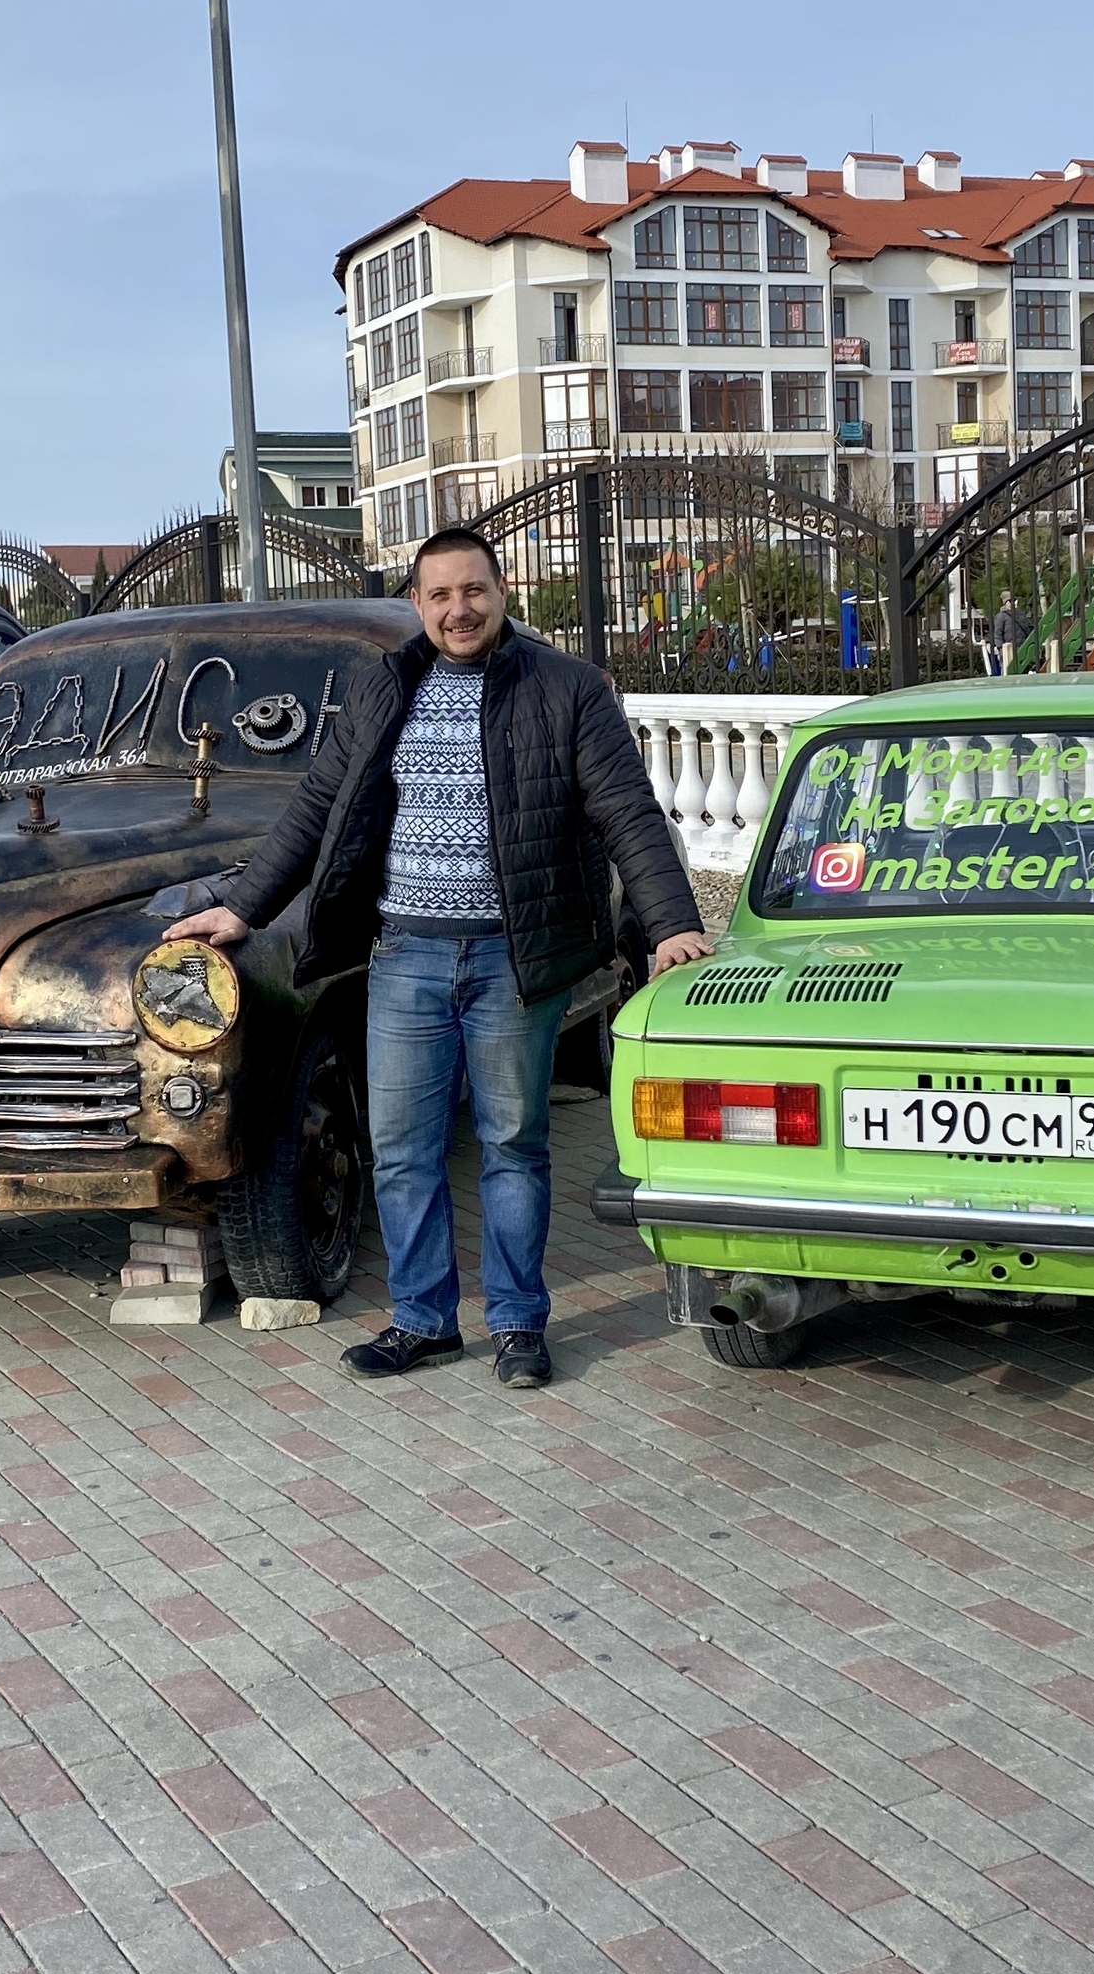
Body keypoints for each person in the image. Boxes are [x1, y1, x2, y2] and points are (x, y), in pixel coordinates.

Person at [164, 529, 707, 1389]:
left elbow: (627, 811)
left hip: (510, 959)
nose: (459, 608)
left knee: (513, 1145)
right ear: (418, 604)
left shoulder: (565, 689)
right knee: (406, 1149)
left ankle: (520, 1324)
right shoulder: (385, 687)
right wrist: (243, 908)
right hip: (406, 955)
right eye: (441, 594)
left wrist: (671, 920)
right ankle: (422, 1319)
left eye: (474, 590)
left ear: (502, 590)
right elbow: (315, 809)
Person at [991, 591, 1024, 676]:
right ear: (1005, 602)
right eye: (1010, 600)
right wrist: (1000, 648)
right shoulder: (1001, 616)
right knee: (1006, 670)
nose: (1012, 602)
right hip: (1008, 648)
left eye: (1014, 600)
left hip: (1021, 646)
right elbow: (997, 633)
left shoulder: (1020, 614)